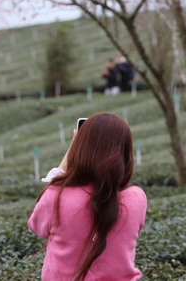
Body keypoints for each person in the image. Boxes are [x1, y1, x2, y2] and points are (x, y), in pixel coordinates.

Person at [29, 113, 147, 281]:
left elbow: (36, 226)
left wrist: (71, 152)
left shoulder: (56, 196)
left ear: (80, 148)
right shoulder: (136, 198)